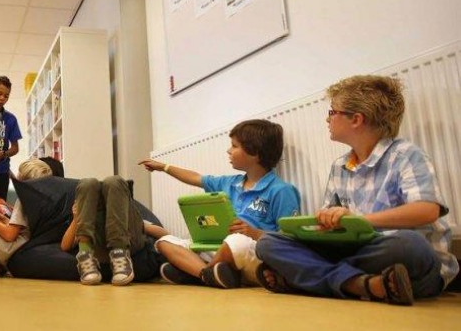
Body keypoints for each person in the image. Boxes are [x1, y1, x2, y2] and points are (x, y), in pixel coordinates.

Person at [255, 75, 459, 306]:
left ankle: (308, 278)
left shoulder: (406, 155)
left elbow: (427, 210)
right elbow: (326, 224)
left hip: (409, 264)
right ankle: (359, 284)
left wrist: (359, 220)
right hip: (361, 258)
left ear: (356, 119)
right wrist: (321, 224)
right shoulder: (339, 166)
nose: (327, 119)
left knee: (410, 245)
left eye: (332, 112)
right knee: (268, 243)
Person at [139, 119, 300, 289]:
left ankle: (197, 274)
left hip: (250, 252)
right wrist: (163, 167)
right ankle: (210, 274)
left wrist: (254, 233)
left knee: (236, 241)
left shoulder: (282, 190)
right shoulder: (229, 183)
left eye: (234, 146)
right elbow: (195, 178)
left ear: (255, 153)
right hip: (218, 249)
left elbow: (289, 239)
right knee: (165, 242)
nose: (228, 151)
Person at [61, 175, 151, 286]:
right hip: (97, 246)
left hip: (127, 240)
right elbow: (65, 245)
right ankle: (85, 253)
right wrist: (76, 218)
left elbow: (150, 229)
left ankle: (120, 252)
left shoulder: (122, 211)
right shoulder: (87, 216)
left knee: (114, 182)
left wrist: (165, 239)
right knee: (88, 183)